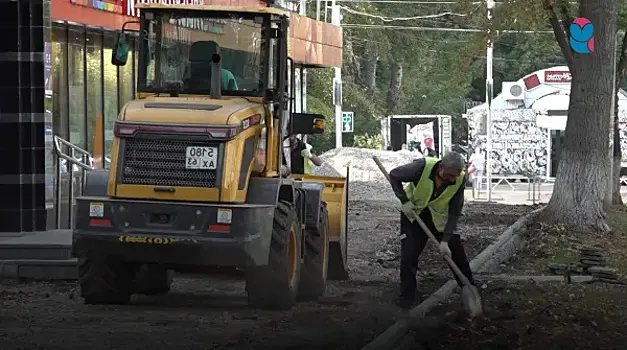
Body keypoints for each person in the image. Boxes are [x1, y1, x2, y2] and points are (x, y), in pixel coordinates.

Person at [388, 152, 475, 309]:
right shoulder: (420, 168)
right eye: (449, 175)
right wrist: (404, 200)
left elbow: (455, 210)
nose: (452, 180)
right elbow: (394, 175)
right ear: (441, 166)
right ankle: (407, 299)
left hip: (438, 219)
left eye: (455, 176)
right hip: (414, 215)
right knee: (409, 255)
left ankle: (469, 290)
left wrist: (445, 240)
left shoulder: (460, 179)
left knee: (456, 253)